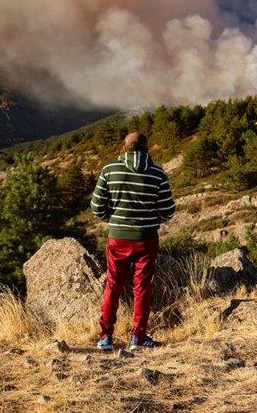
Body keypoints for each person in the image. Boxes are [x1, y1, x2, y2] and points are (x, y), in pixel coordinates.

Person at [90, 132, 176, 351]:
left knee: (113, 285)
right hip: (146, 240)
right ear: (147, 149)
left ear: (124, 148)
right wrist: (151, 220)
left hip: (117, 239)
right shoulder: (157, 173)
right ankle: (138, 337)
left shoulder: (109, 170)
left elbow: (97, 207)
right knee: (142, 288)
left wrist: (115, 220)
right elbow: (168, 210)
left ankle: (105, 337)